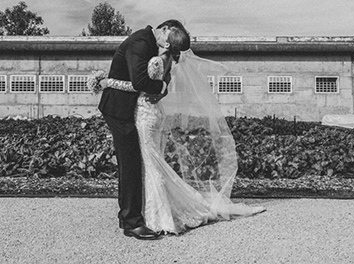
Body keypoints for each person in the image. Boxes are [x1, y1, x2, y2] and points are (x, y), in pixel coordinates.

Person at [99, 35, 265, 236]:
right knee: (145, 163)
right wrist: (161, 87)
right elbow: (151, 83)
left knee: (146, 164)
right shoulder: (160, 56)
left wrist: (108, 82)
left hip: (145, 114)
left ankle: (144, 217)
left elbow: (140, 83)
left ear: (169, 42)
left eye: (166, 35)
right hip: (147, 113)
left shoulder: (156, 58)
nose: (161, 37)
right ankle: (142, 214)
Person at [98, 20, 191, 240]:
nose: (167, 47)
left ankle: (129, 217)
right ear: (165, 28)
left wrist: (163, 86)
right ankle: (132, 223)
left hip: (133, 109)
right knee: (130, 164)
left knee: (135, 162)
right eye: (167, 42)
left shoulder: (151, 44)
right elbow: (139, 80)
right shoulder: (140, 41)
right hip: (118, 109)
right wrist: (162, 87)